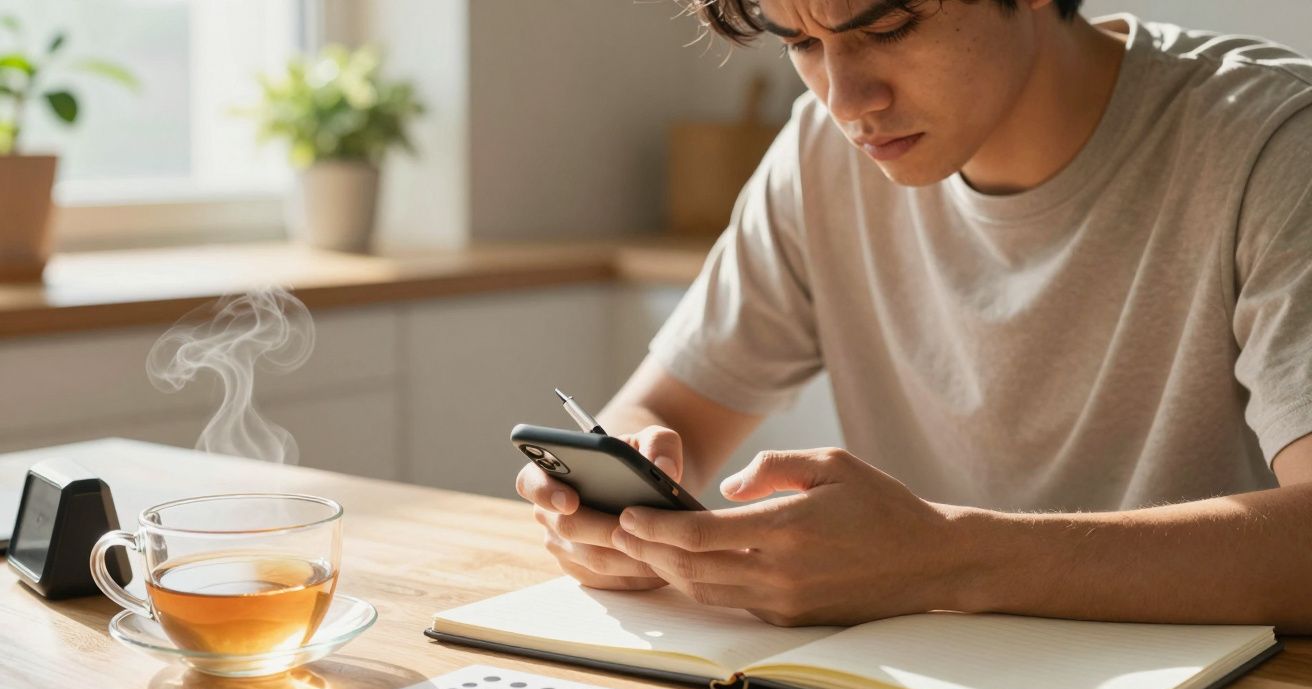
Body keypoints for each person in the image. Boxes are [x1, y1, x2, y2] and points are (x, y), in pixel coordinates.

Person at [517, 0, 1312, 632]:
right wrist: (615, 513)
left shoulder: (1272, 145)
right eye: (799, 43)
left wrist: (946, 560)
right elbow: (656, 413)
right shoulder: (818, 158)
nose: (846, 101)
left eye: (886, 27)